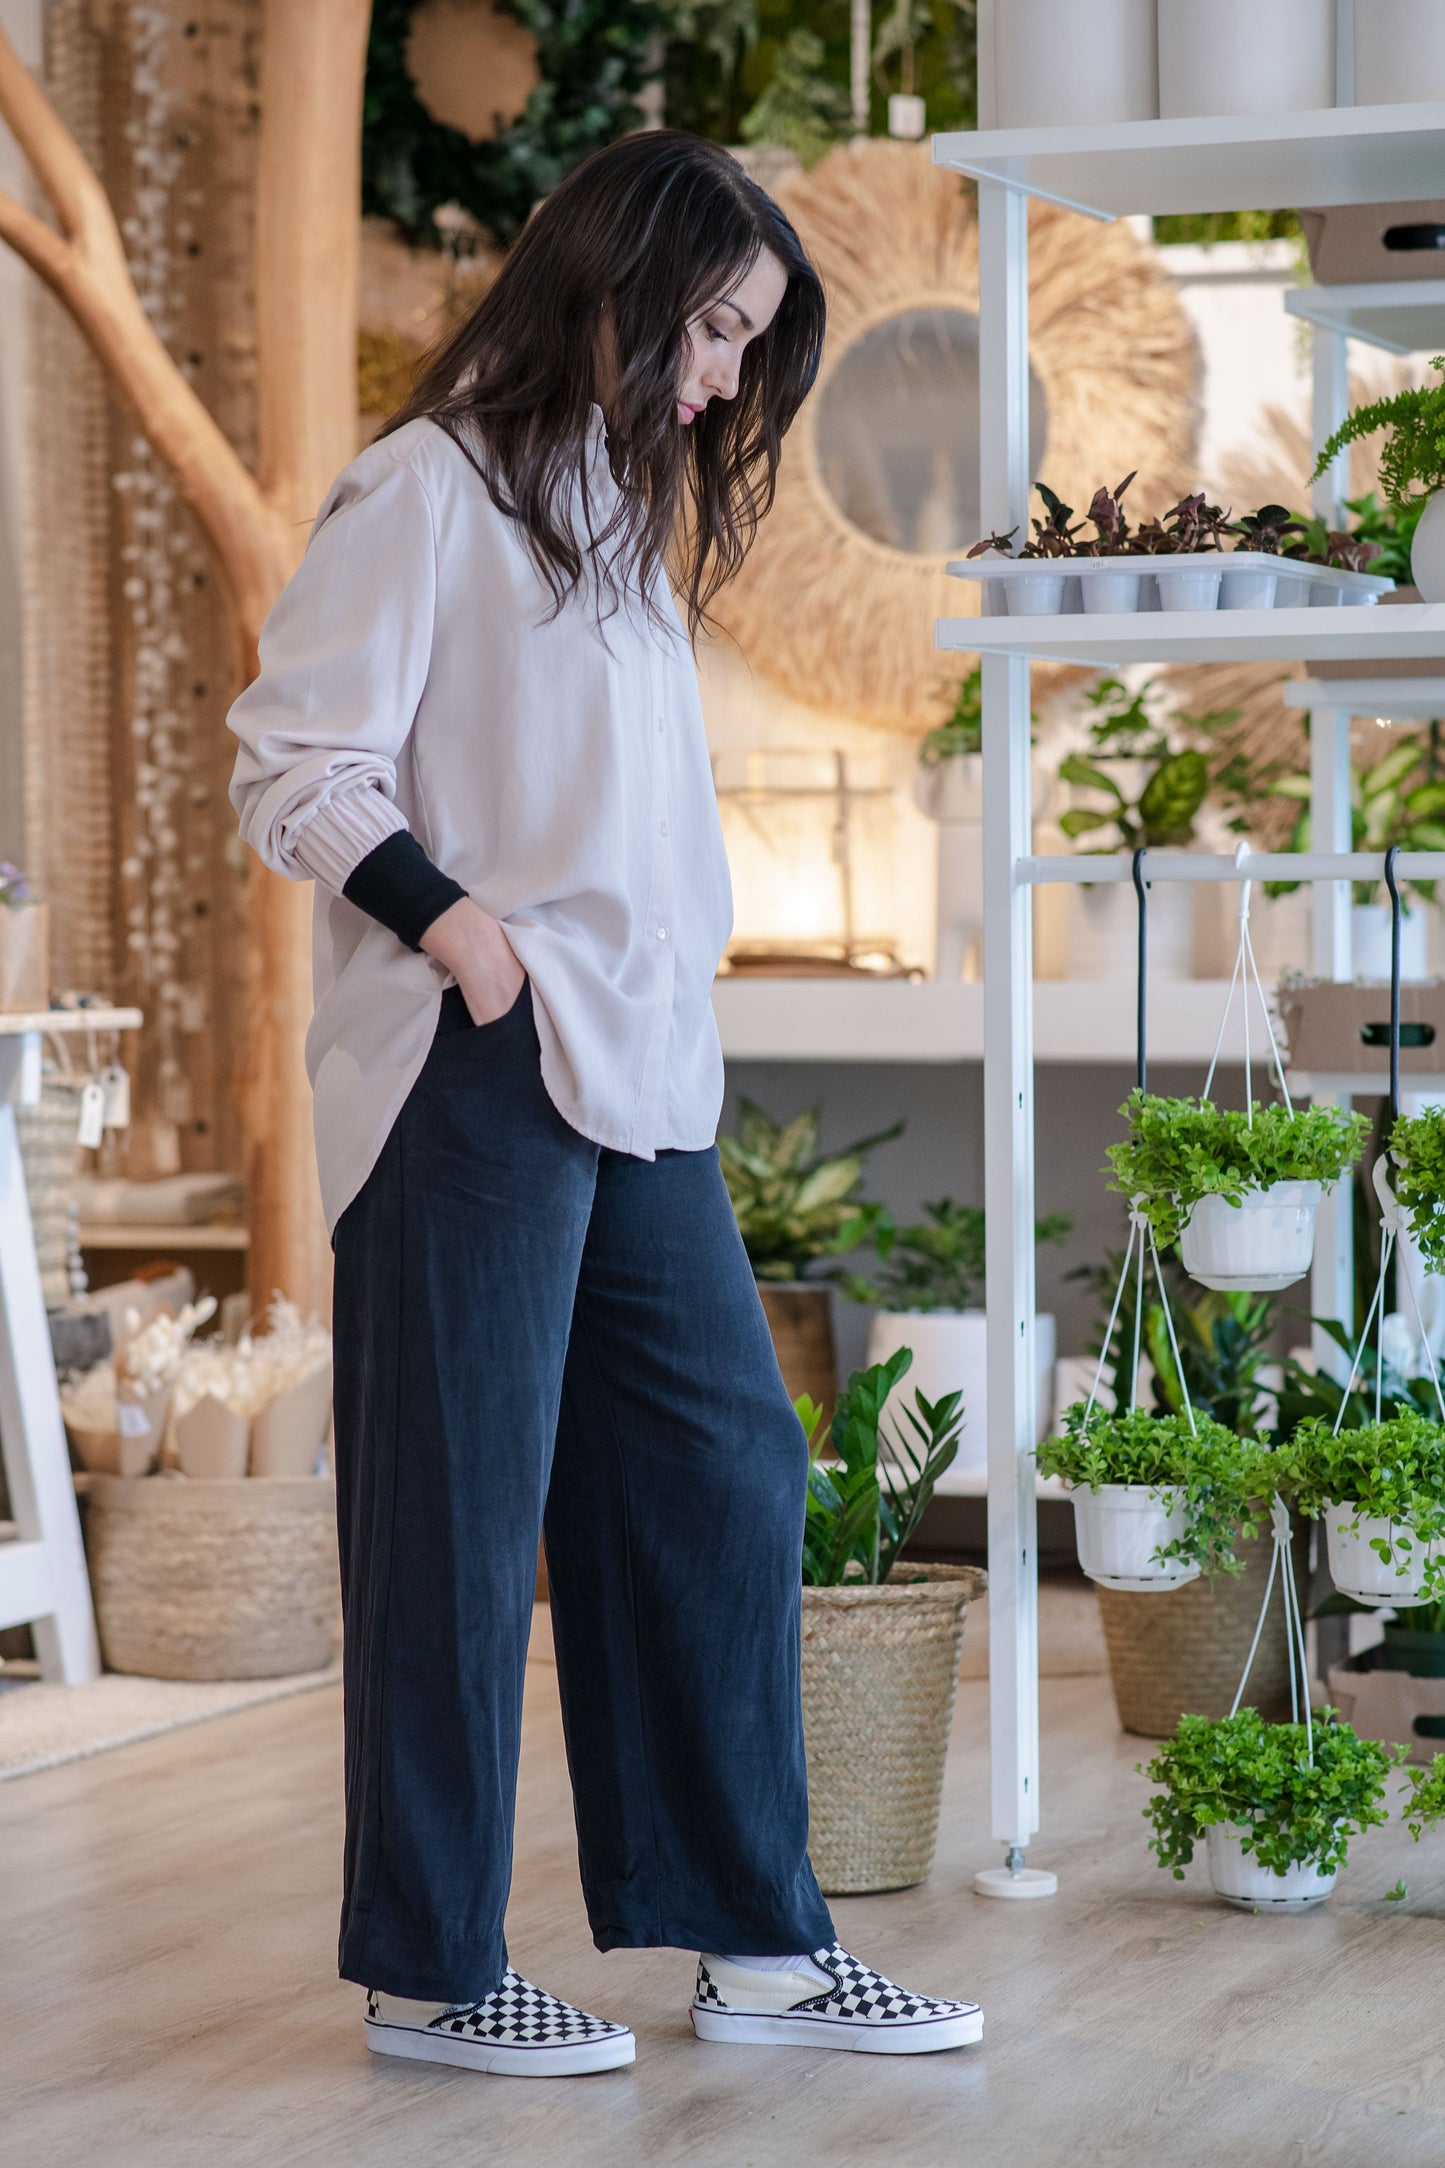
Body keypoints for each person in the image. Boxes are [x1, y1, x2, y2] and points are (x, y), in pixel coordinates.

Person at [228, 129, 982, 2079]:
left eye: (749, 343)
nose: (728, 380)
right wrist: (462, 934)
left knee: (729, 1467)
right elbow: (293, 759)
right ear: (620, 290)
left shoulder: (611, 510)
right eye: (716, 333)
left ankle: (755, 1942)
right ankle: (431, 1967)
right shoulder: (428, 492)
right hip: (478, 1054)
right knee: (460, 1523)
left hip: (640, 1077)